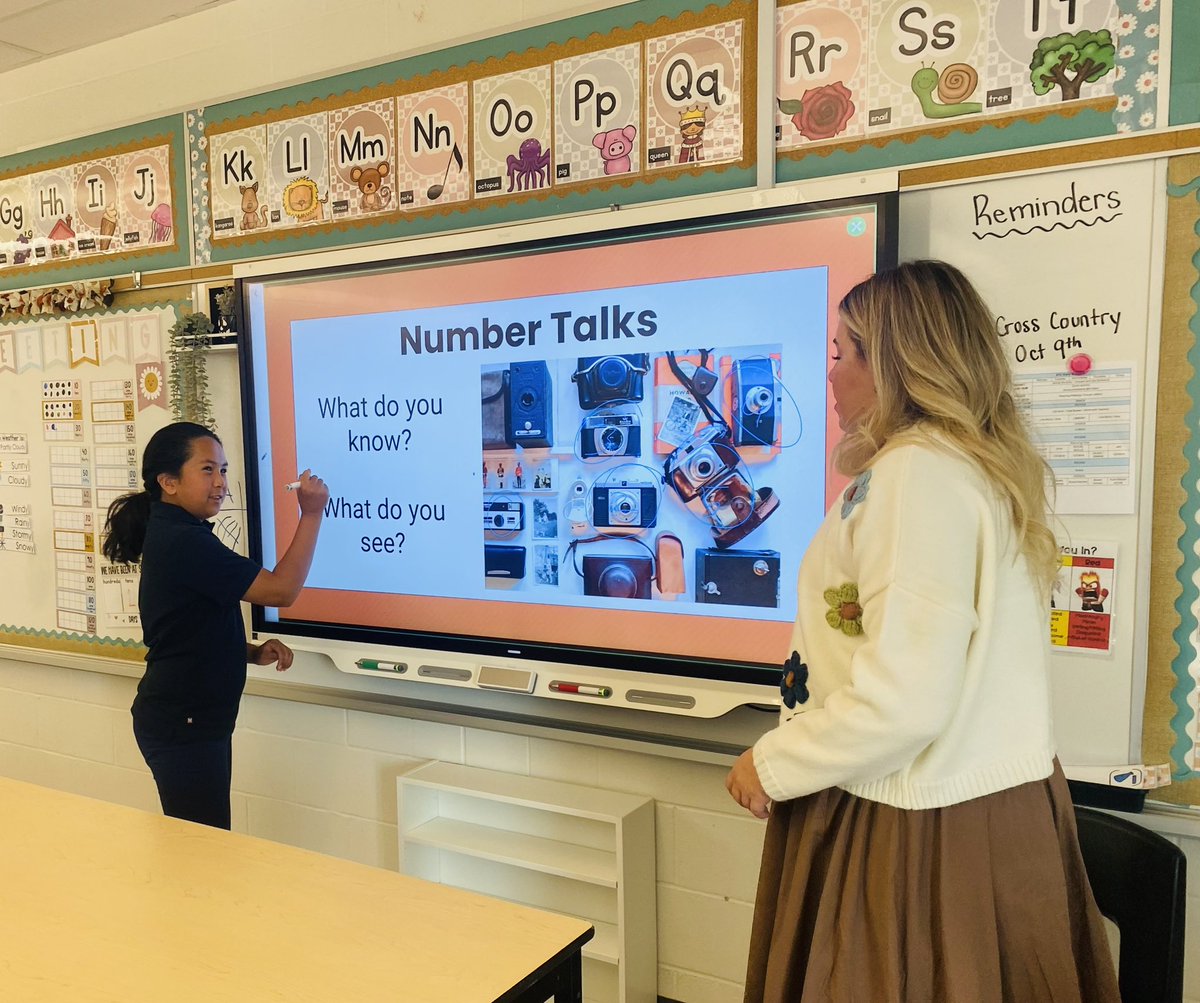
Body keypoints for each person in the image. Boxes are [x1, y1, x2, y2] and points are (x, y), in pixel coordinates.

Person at [726, 261, 1119, 1002]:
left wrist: (771, 762)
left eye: (840, 353)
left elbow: (903, 701)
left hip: (918, 830)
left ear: (894, 364)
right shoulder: (967, 470)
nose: (829, 375)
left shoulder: (918, 478)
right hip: (972, 814)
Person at [102, 421, 329, 830]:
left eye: (223, 470)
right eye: (207, 470)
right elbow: (281, 591)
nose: (220, 482)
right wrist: (312, 514)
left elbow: (187, 627)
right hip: (182, 725)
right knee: (203, 849)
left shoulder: (183, 532)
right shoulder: (182, 540)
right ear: (168, 482)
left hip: (191, 722)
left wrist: (249, 652)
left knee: (202, 842)